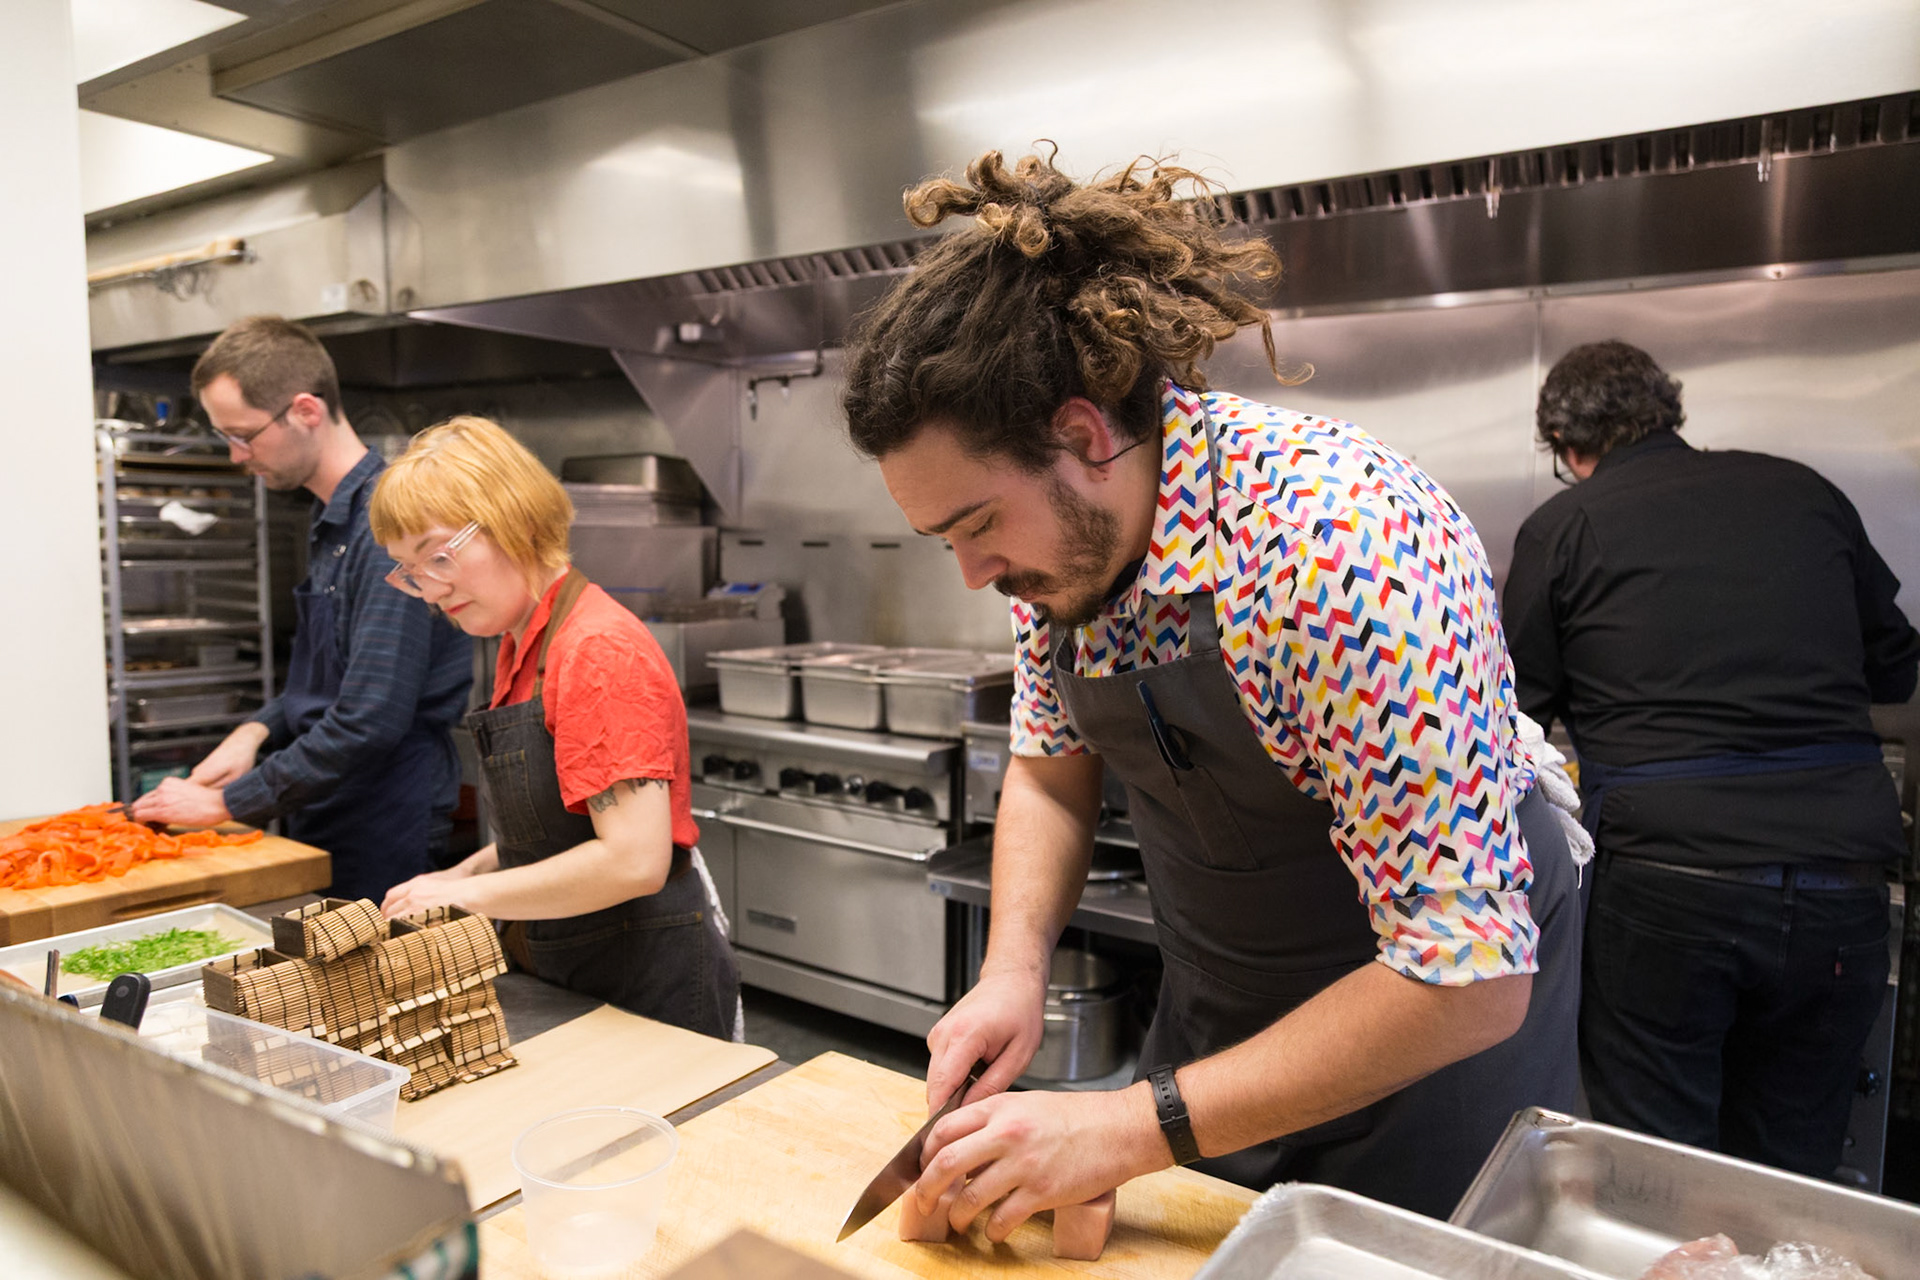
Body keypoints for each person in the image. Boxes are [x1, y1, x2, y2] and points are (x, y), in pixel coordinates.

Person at [840, 150, 1585, 1231]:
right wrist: (1012, 970)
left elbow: (1465, 973)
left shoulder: (1343, 547)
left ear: (1084, 436)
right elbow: (1051, 770)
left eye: (975, 526)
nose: (972, 571)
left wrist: (1127, 1126)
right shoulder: (1059, 551)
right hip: (1222, 1013)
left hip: (1432, 1038)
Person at [1503, 340, 1918, 1179]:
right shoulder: (1804, 492)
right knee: (1793, 1169)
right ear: (1665, 413)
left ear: (1569, 450)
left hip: (1668, 886)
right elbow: (1896, 665)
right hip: (1843, 882)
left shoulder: (1567, 525)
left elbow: (1514, 709)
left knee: (1659, 1170)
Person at [367, 415, 741, 1040]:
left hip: (645, 981)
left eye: (438, 557)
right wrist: (470, 872)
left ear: (512, 521)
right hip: (578, 963)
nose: (429, 591)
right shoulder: (524, 645)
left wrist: (470, 900)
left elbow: (633, 860)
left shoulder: (596, 650)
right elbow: (566, 821)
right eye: (410, 572)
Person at [132, 316, 472, 901]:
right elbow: (332, 676)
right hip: (329, 805)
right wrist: (255, 728)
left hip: (384, 817)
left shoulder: (384, 524)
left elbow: (370, 717)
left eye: (245, 434)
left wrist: (224, 803)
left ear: (306, 411)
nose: (238, 456)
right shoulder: (331, 520)